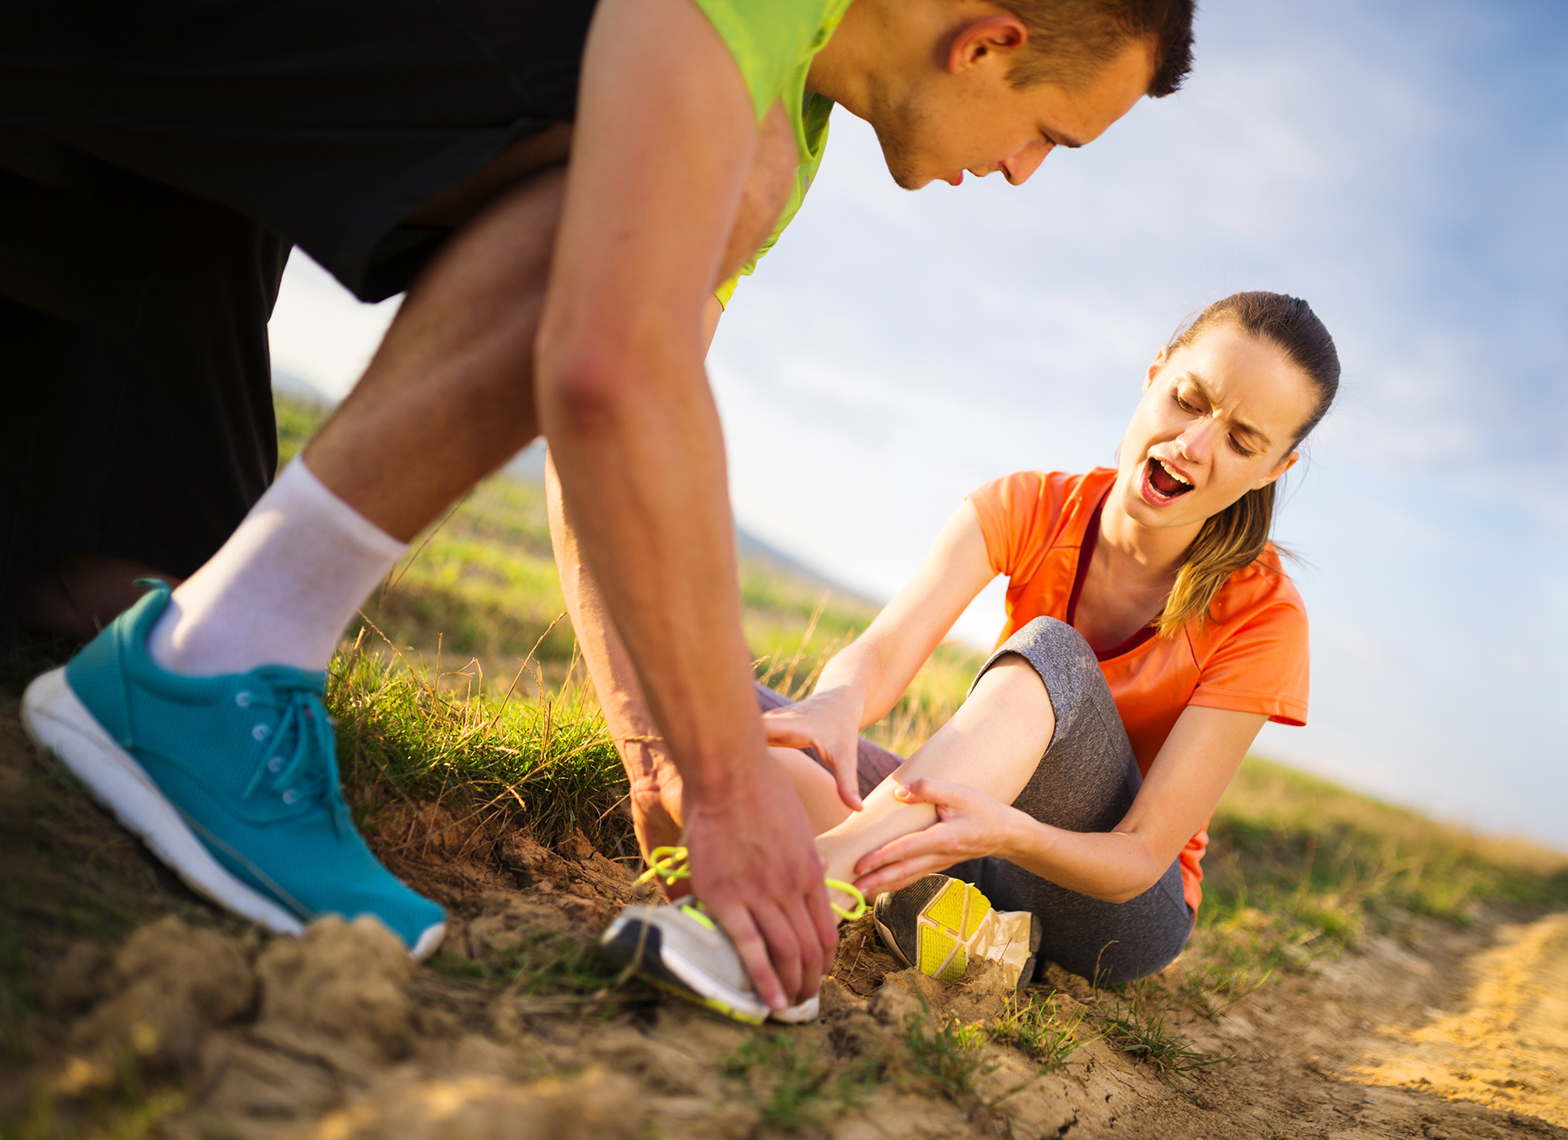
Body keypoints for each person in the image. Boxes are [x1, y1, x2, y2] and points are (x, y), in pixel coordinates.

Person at [9, 0, 1198, 1019]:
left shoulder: (787, 111)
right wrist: (724, 786)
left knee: (107, 581)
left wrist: (658, 755)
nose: (1022, 172)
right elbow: (607, 370)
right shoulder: (747, 102)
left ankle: (198, 646)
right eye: (1049, 135)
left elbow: (620, 410)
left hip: (119, 170)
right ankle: (216, 664)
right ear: (986, 44)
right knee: (670, 180)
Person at [599, 291, 1337, 1022]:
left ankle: (790, 914)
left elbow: (1139, 859)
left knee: (1051, 648)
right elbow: (883, 655)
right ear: (1154, 376)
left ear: (1274, 469)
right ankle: (949, 921)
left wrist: (1007, 832)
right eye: (1187, 399)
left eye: (1241, 442)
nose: (1194, 446)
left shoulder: (1266, 616)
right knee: (714, 711)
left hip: (1112, 911)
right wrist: (836, 704)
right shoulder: (1025, 505)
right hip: (969, 831)